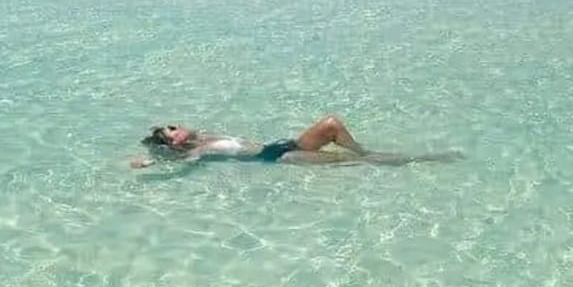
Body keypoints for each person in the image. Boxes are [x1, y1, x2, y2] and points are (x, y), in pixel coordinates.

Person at [130, 115, 458, 170]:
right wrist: (151, 161)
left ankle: (367, 151)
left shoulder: (206, 135)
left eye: (172, 125)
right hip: (279, 160)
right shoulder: (198, 152)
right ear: (173, 144)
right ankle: (424, 160)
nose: (177, 127)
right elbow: (180, 168)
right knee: (355, 164)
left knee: (331, 124)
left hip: (282, 144)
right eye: (170, 131)